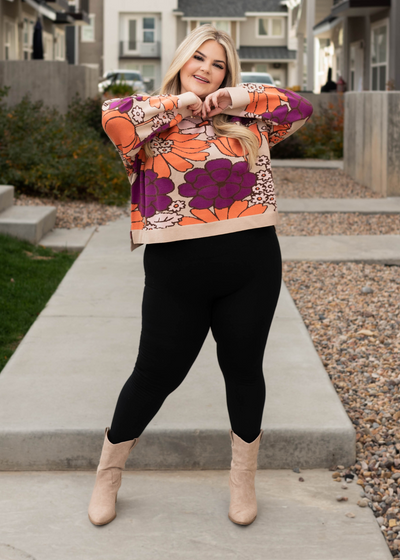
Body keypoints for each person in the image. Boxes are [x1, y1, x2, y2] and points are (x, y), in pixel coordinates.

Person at [88, 25, 313, 527]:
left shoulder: (250, 122)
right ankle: (108, 475)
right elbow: (110, 116)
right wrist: (180, 104)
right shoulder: (148, 122)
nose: (207, 69)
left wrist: (238, 96)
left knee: (243, 370)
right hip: (176, 271)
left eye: (218, 65)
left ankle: (242, 480)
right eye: (200, 59)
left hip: (250, 265)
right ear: (182, 61)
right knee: (155, 374)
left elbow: (299, 108)